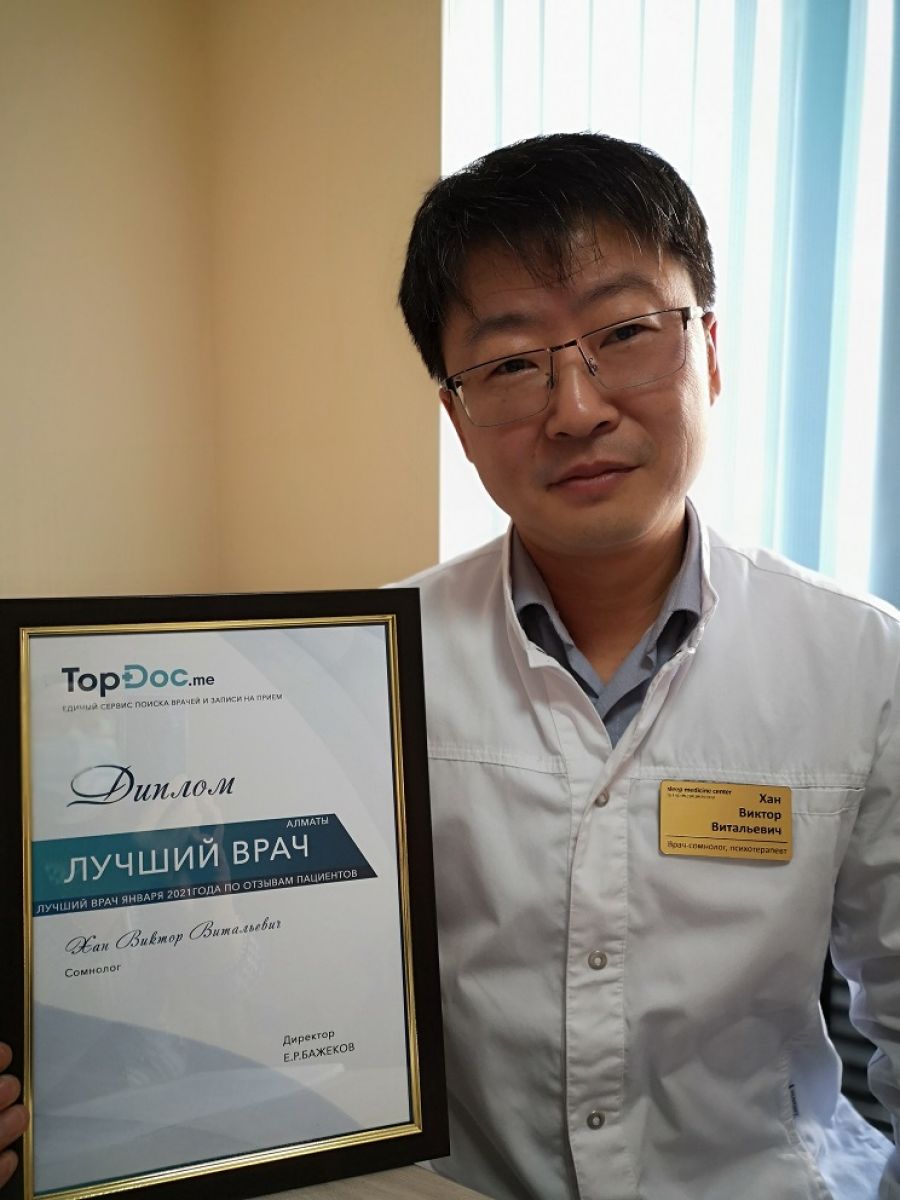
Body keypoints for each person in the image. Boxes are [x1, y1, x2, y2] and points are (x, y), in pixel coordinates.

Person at [2, 132, 899, 1199]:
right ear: (459, 418)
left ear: (709, 349)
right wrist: (67, 1085)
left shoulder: (863, 659)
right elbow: (237, 976)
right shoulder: (357, 669)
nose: (576, 408)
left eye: (624, 332)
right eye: (511, 364)